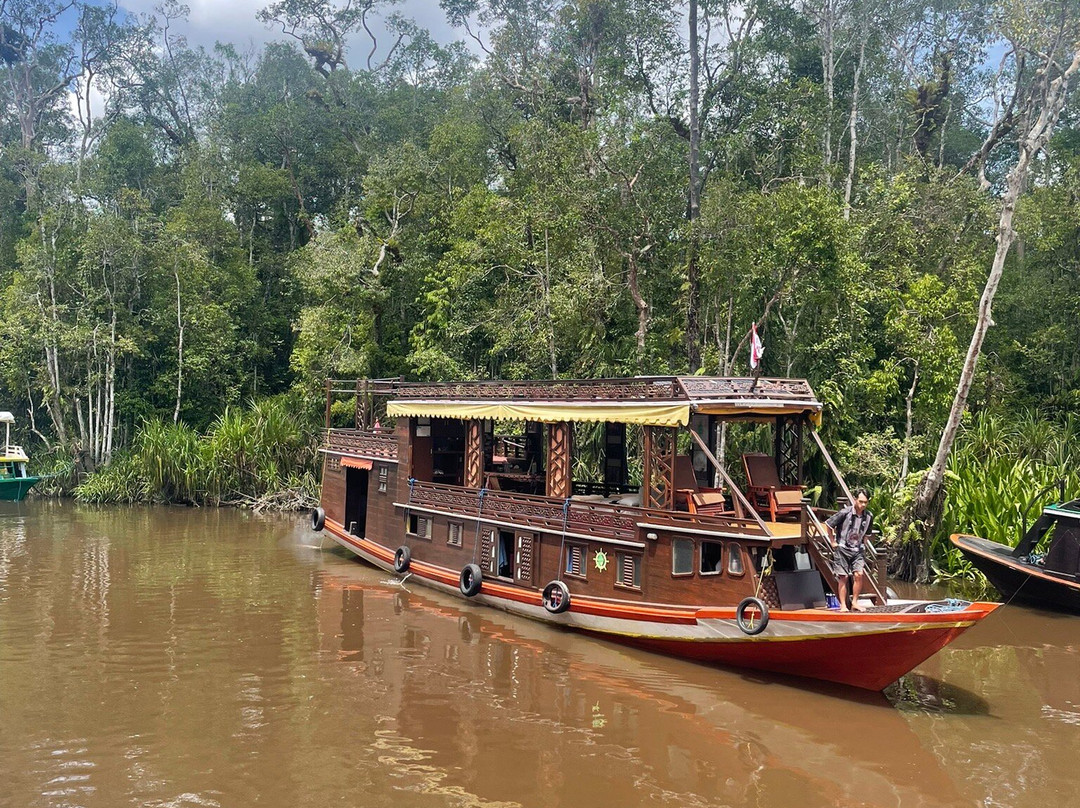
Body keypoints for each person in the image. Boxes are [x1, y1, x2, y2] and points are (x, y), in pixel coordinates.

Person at [825, 489, 873, 612]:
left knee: (859, 574)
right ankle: (843, 605)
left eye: (865, 503)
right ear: (855, 499)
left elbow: (867, 533)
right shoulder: (845, 513)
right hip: (842, 548)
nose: (862, 505)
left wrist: (864, 544)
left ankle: (855, 602)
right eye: (861, 501)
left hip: (858, 549)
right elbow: (829, 524)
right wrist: (832, 541)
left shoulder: (868, 516)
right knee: (843, 577)